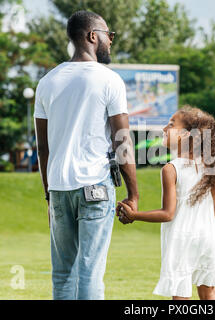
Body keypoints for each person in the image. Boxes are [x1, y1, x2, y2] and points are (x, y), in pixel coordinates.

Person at [34, 10, 138, 300]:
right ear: (93, 36)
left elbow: (43, 148)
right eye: (109, 35)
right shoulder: (108, 80)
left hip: (58, 189)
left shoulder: (47, 82)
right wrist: (133, 194)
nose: (111, 41)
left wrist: (49, 195)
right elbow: (122, 140)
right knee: (90, 271)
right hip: (95, 186)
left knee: (63, 273)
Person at [118, 106, 215, 300]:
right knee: (209, 291)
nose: (164, 129)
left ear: (187, 135)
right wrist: (207, 228)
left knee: (180, 293)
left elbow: (168, 214)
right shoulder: (211, 166)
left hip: (181, 240)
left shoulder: (171, 169)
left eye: (171, 125)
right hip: (207, 238)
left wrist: (135, 215)